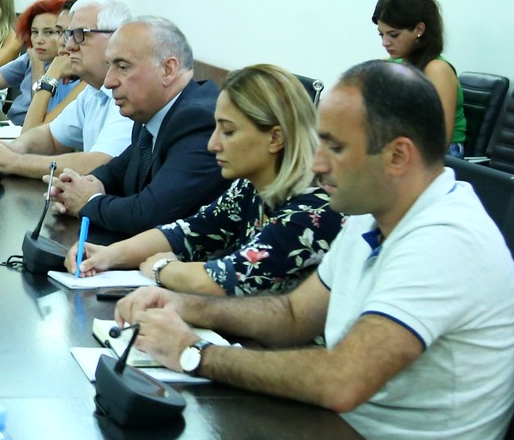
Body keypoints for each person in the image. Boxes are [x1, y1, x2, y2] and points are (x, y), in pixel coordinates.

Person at [112, 60, 514, 440]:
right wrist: (186, 306)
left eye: (335, 146)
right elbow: (294, 314)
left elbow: (340, 380)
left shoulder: (444, 242)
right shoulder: (373, 214)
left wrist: (193, 353)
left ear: (397, 156)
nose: (317, 162)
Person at [70, 63, 343, 295]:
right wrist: (108, 255)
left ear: (275, 138)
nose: (213, 145)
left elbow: (229, 278)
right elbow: (186, 232)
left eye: (228, 132)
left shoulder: (312, 212)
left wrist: (162, 268)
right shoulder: (250, 187)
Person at [47, 17, 227, 236]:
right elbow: (117, 171)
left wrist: (87, 201)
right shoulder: (152, 112)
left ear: (168, 70)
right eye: (109, 66)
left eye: (122, 67)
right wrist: (78, 186)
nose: (108, 82)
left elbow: (148, 214)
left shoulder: (200, 121)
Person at [0, 0, 137, 178]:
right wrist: (13, 148)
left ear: (114, 37)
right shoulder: (93, 91)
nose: (68, 45)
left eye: (80, 34)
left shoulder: (130, 92)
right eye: (69, 34)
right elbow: (51, 137)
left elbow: (101, 163)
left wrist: (13, 161)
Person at [373, 0, 466, 154]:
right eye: (381, 34)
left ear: (419, 30)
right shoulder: (389, 64)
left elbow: (440, 140)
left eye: (393, 35)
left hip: (438, 156)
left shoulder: (437, 70)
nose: (385, 42)